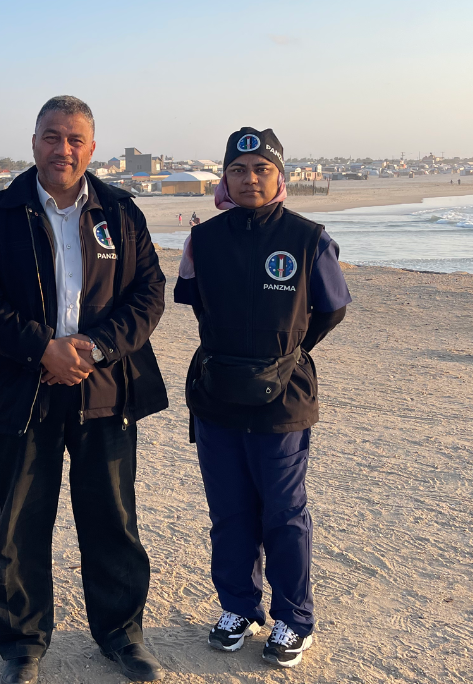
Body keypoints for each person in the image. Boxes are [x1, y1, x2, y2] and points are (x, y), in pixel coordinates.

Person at [0, 96, 169, 684]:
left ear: (92, 148)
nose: (63, 149)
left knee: (112, 516)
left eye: (75, 139)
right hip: (22, 389)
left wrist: (94, 347)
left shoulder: (121, 212)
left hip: (105, 387)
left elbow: (149, 295)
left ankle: (122, 635)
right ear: (33, 142)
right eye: (52, 137)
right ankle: (23, 642)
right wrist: (40, 348)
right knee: (22, 518)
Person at [173, 127, 351, 669]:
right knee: (229, 512)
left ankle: (295, 620)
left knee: (284, 513)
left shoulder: (308, 237)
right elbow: (196, 305)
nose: (249, 179)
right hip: (218, 395)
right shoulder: (203, 240)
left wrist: (286, 353)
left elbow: (331, 309)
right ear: (224, 177)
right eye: (238, 170)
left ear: (280, 176)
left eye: (261, 169)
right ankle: (238, 607)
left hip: (285, 400)